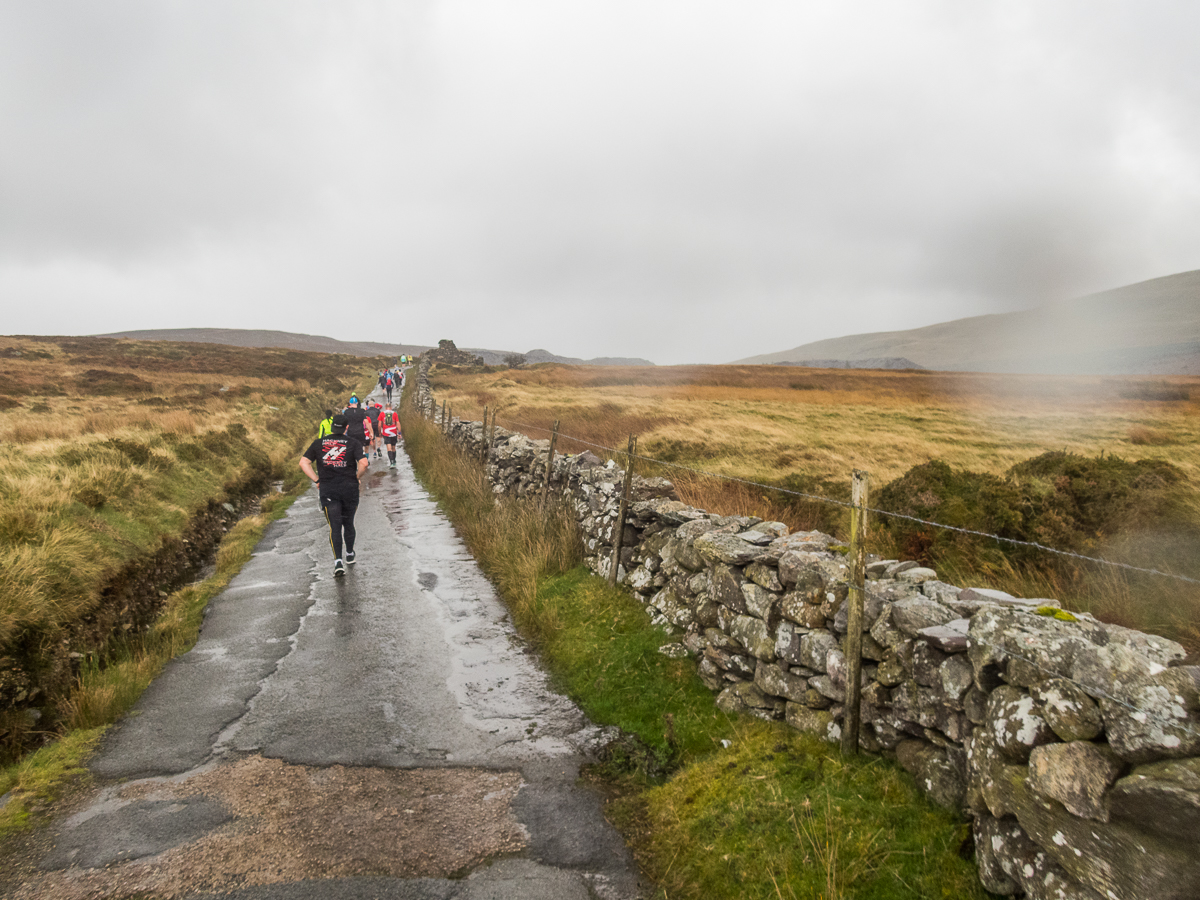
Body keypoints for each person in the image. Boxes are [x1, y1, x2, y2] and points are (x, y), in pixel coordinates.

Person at [299, 414, 368, 576]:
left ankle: (338, 562)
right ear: (346, 428)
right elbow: (364, 463)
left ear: (331, 427)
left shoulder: (318, 444)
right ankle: (350, 554)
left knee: (334, 526)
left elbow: (304, 462)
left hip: (329, 490)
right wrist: (356, 477)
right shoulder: (353, 443)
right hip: (349, 489)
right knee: (348, 523)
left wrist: (317, 479)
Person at [342, 396, 373, 465]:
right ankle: (361, 462)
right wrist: (371, 432)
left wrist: (343, 433)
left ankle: (354, 463)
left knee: (351, 448)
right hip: (360, 432)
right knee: (360, 448)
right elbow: (366, 422)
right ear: (357, 403)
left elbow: (345, 424)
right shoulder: (362, 411)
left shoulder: (347, 412)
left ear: (350, 403)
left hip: (351, 433)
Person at [377, 403, 401, 468]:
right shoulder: (395, 414)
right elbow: (398, 423)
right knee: (393, 447)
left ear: (385, 407)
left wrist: (380, 432)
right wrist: (399, 433)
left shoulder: (382, 413)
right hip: (394, 432)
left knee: (389, 448)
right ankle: (394, 460)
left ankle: (392, 462)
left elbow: (379, 425)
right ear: (391, 407)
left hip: (386, 433)